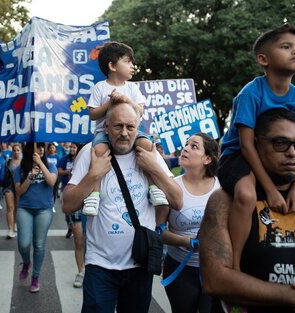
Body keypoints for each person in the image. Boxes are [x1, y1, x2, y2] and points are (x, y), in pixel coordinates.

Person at [218, 24, 295, 272]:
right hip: (239, 155)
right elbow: (247, 145)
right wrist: (270, 190)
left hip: (284, 157)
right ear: (263, 59)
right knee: (246, 195)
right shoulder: (252, 93)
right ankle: (234, 267)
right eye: (287, 47)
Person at [200, 108, 295, 313]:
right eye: (280, 143)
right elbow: (215, 280)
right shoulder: (226, 200)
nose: (291, 152)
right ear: (256, 146)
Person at [63, 100, 181, 313]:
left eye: (130, 127)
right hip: (100, 267)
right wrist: (94, 175)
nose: (124, 133)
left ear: (138, 128)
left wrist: (155, 168)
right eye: (118, 126)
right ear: (106, 127)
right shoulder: (91, 153)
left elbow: (177, 200)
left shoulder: (149, 153)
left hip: (140, 265)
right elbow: (68, 205)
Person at [83, 41, 169, 216]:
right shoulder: (100, 88)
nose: (132, 66)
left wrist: (125, 99)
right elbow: (93, 114)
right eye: (127, 62)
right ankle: (94, 194)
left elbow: (140, 112)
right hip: (104, 133)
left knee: (146, 144)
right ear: (112, 66)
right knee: (98, 149)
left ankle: (153, 187)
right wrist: (110, 102)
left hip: (132, 133)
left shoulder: (132, 88)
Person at [160, 133, 220, 313]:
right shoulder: (171, 186)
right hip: (179, 269)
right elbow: (159, 231)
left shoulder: (222, 187)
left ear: (207, 159)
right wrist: (183, 241)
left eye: (194, 146)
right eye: (186, 145)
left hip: (214, 270)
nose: (185, 148)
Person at [14, 142, 57, 293]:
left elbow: (51, 182)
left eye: (42, 147)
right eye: (37, 147)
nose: (40, 150)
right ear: (29, 150)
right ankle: (26, 262)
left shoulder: (50, 165)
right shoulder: (19, 169)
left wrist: (40, 164)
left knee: (39, 244)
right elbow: (19, 192)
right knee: (24, 243)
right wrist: (30, 176)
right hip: (25, 208)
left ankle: (35, 277)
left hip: (44, 210)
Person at [58, 142, 86, 287]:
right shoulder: (70, 161)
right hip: (77, 204)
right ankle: (81, 272)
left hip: (96, 203)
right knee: (79, 241)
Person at [3, 143, 22, 239]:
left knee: (17, 208)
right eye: (14, 150)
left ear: (21, 151)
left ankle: (14, 224)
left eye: (18, 150)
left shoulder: (23, 162)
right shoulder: (8, 161)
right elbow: (3, 174)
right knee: (10, 207)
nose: (16, 152)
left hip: (19, 187)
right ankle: (10, 229)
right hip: (8, 186)